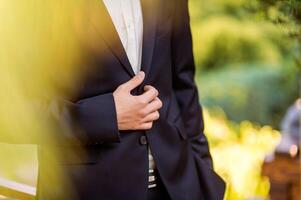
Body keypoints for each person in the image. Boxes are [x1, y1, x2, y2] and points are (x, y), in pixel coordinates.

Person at [36, 0, 226, 199]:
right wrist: (109, 115)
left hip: (177, 187)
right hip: (86, 189)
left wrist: (203, 169)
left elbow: (183, 86)